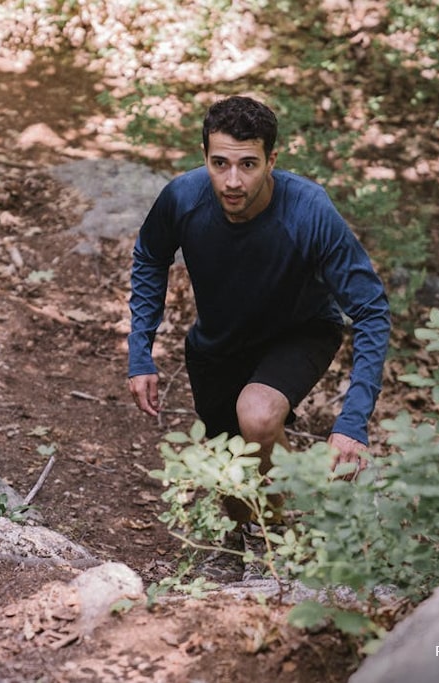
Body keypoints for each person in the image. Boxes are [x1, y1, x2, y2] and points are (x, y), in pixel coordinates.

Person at [127, 95, 390, 521]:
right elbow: (150, 257)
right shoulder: (183, 198)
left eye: (247, 164)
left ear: (271, 161)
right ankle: (263, 539)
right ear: (205, 158)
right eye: (220, 164)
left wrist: (352, 422)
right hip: (219, 345)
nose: (232, 181)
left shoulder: (308, 211)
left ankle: (297, 541)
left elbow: (371, 309)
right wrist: (140, 351)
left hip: (300, 330)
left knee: (258, 415)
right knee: (232, 478)